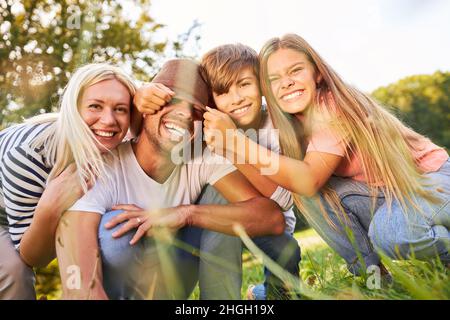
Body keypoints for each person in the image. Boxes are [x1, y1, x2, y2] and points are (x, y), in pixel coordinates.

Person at [204, 33, 450, 277]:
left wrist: (235, 142)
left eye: (295, 70)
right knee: (311, 193)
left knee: (392, 234)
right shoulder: (287, 123)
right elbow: (283, 192)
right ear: (267, 88)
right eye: (274, 78)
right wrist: (230, 147)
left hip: (430, 179)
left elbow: (308, 180)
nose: (286, 82)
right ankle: (373, 277)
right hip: (384, 191)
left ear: (317, 73)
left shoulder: (333, 105)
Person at [55, 58, 285, 300]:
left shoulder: (201, 159)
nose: (184, 114)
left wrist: (187, 213)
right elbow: (80, 284)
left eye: (196, 111)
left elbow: (271, 218)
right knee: (116, 230)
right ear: (145, 108)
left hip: (169, 283)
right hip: (111, 291)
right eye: (171, 101)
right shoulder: (101, 168)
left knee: (221, 205)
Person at [138, 44, 301, 300]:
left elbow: (284, 200)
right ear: (212, 102)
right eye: (223, 92)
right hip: (219, 222)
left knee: (284, 250)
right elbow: (149, 125)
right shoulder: (202, 134)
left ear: (261, 84)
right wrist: (140, 92)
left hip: (270, 223)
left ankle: (269, 294)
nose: (236, 98)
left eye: (244, 84)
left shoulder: (278, 126)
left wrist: (234, 144)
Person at [0, 62, 141, 299]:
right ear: (73, 109)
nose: (108, 120)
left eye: (120, 109)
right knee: (14, 272)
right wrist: (50, 208)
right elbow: (34, 257)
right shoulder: (29, 154)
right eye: (95, 106)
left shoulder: (121, 141)